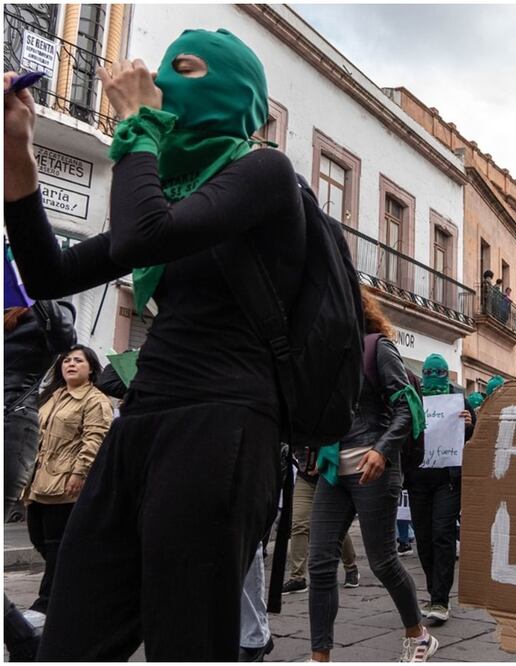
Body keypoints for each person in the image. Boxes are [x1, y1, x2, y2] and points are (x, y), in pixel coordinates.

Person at [4, 28, 306, 658]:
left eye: (185, 69)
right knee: (72, 635)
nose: (161, 81)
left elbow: (145, 236)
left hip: (222, 424)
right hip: (142, 421)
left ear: (237, 94)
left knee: (185, 641)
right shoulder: (167, 190)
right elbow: (48, 275)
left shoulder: (264, 172)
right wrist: (17, 155)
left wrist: (138, 124)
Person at [307, 287, 437, 662]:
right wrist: (311, 448)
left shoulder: (376, 347)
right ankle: (320, 657)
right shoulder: (328, 358)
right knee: (319, 563)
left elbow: (408, 408)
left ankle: (419, 635)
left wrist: (382, 449)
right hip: (334, 472)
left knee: (382, 562)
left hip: (373, 467)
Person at [3, 300, 75, 661]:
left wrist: (37, 292)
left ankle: (24, 640)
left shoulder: (49, 309)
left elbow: (65, 338)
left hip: (10, 428)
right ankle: (23, 641)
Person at [23, 344, 112, 614]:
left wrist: (79, 473)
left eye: (78, 361)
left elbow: (95, 439)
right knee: (39, 539)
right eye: (66, 360)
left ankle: (46, 605)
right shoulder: (52, 395)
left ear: (91, 368)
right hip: (38, 481)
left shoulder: (95, 400)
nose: (71, 364)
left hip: (67, 483)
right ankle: (76, 586)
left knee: (56, 545)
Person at [408, 353, 476, 623]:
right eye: (429, 373)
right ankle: (433, 590)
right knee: (424, 538)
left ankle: (440, 599)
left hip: (448, 482)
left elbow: (474, 436)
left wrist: (469, 424)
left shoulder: (459, 400)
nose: (433, 377)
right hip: (418, 480)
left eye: (438, 373)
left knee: (442, 535)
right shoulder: (414, 399)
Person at [282, 446, 361, 595]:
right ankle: (297, 578)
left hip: (329, 474)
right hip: (305, 477)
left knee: (335, 525)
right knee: (299, 524)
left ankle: (351, 567)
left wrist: (323, 460)